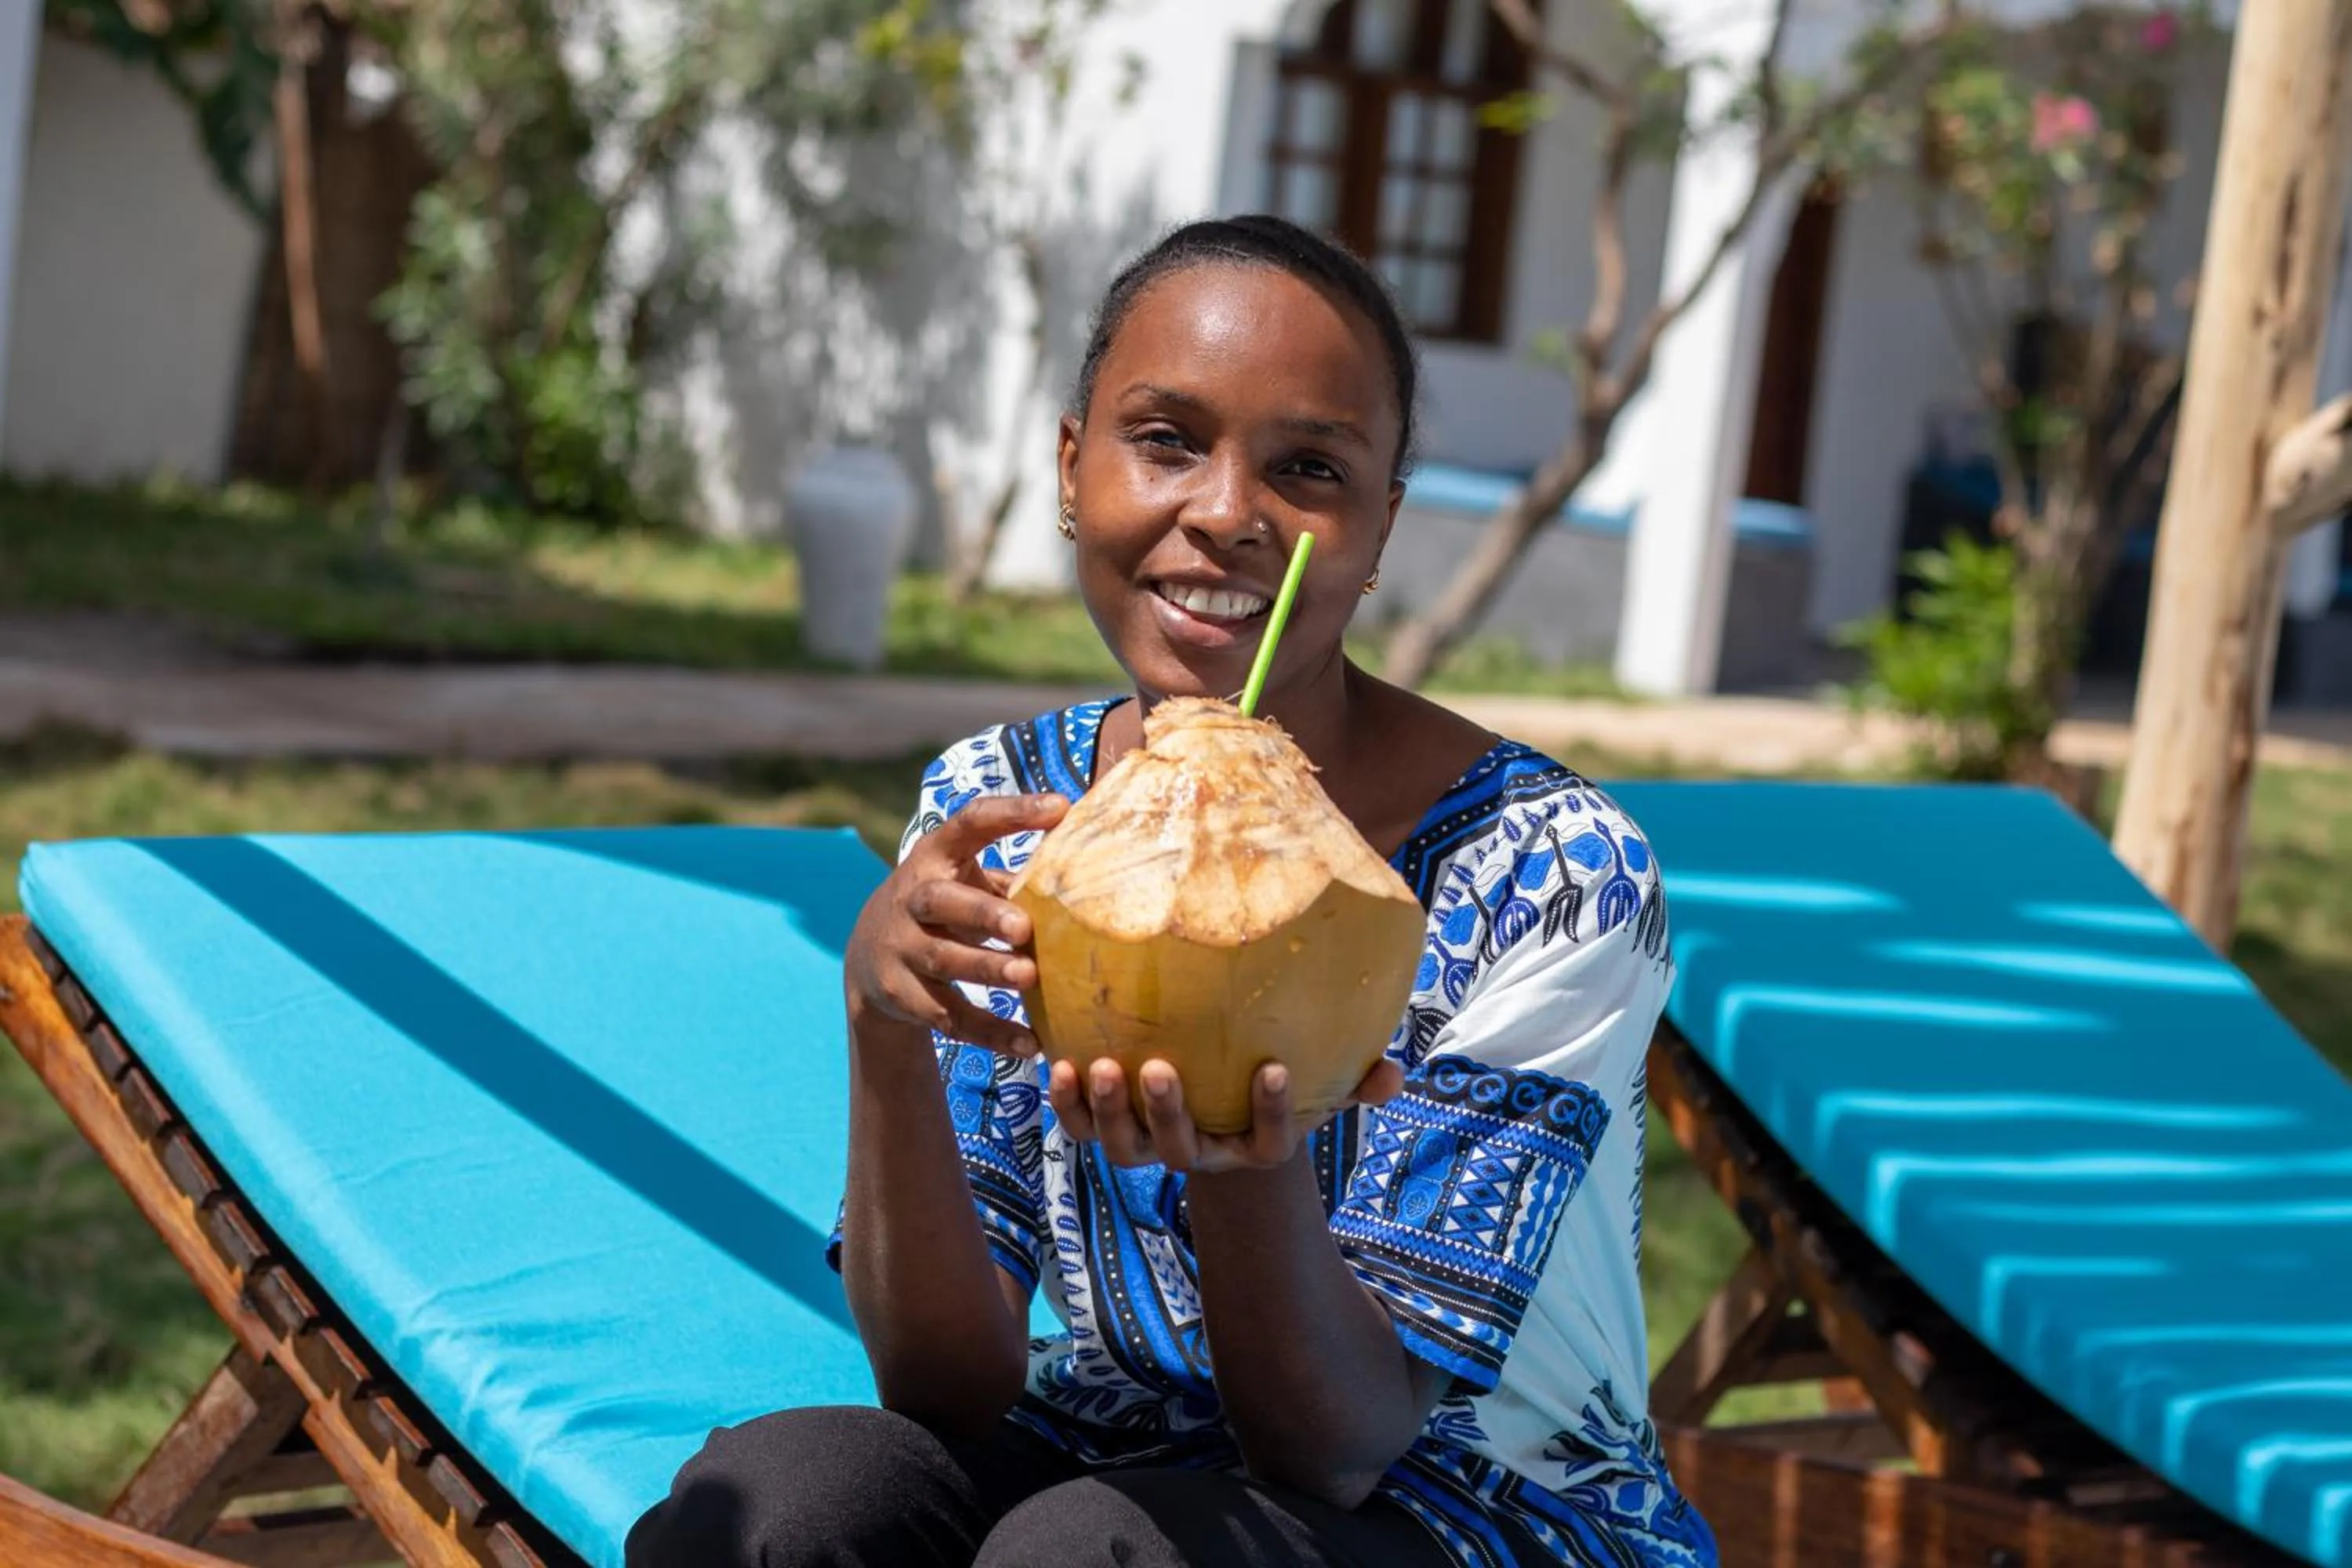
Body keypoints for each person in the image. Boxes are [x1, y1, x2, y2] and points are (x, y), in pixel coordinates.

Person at [626, 214, 1716, 1568]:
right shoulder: (1006, 802)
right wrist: (885, 1030)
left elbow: (1344, 1442)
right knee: (788, 1502)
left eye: (1308, 468)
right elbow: (947, 1390)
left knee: (1087, 1556)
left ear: (1379, 527)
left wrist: (1238, 1161)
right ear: (1073, 469)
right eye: (1167, 440)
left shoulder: (1550, 871)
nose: (1226, 512)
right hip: (1115, 1446)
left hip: (1490, 1507)